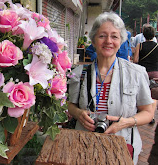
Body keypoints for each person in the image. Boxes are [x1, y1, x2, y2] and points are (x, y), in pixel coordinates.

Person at [68, 11, 154, 165]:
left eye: (114, 36)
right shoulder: (79, 73)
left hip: (122, 144)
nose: (108, 41)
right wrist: (78, 113)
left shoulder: (136, 73)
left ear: (121, 41)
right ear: (93, 40)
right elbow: (69, 106)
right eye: (102, 36)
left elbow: (148, 112)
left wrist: (126, 122)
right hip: (83, 145)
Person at [133, 24, 158, 124]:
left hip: (143, 72)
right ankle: (151, 115)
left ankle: (144, 113)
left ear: (143, 35)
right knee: (154, 95)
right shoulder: (157, 46)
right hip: (155, 72)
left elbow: (135, 60)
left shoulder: (140, 45)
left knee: (143, 92)